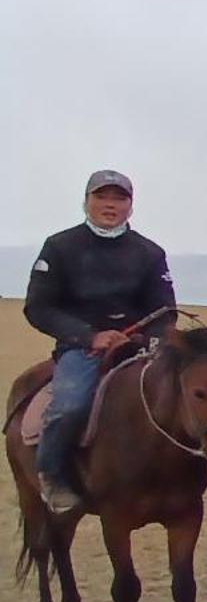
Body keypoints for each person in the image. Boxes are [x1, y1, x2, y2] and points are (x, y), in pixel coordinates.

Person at [22, 170, 177, 514]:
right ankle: (52, 473)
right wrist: (89, 335)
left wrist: (146, 337)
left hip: (137, 345)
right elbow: (39, 307)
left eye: (119, 198)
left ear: (130, 206)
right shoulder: (60, 246)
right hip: (81, 347)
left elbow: (165, 309)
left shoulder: (150, 252)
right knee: (70, 406)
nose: (110, 204)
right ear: (87, 201)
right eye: (102, 197)